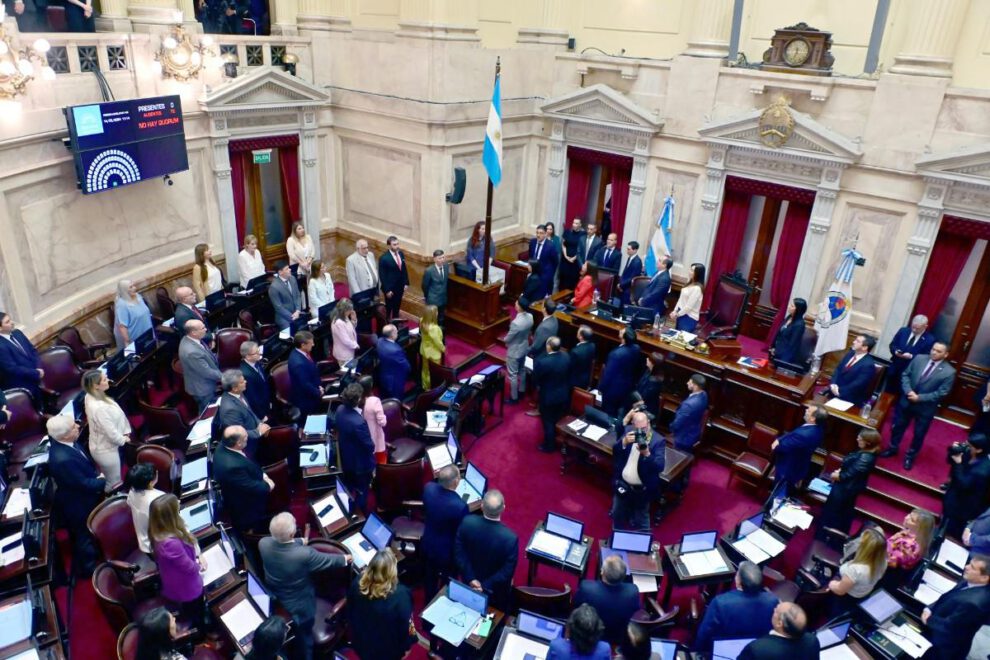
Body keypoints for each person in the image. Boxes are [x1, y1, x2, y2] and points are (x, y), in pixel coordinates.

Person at [260, 512, 349, 660]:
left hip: (276, 596)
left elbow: (283, 544)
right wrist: (346, 558)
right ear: (291, 534)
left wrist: (302, 541)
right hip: (300, 606)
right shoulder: (304, 555)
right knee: (305, 638)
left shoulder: (263, 543)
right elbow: (329, 560)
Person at [882, 342, 956, 470]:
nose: (934, 352)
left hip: (925, 408)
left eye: (938, 351)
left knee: (919, 434)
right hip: (907, 400)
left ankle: (910, 456)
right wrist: (908, 391)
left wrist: (919, 398)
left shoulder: (949, 372)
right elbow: (906, 375)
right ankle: (892, 448)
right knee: (898, 427)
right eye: (933, 349)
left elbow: (942, 392)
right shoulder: (919, 358)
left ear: (946, 354)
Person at [47, 414, 104, 576]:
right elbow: (83, 484)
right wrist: (102, 481)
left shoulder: (67, 442)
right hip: (78, 503)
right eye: (73, 426)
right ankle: (90, 570)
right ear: (64, 435)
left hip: (82, 495)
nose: (78, 426)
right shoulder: (62, 459)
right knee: (84, 534)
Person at [695, 561, 778, 653]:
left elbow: (705, 634)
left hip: (726, 651)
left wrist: (697, 652)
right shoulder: (773, 600)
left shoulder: (720, 603)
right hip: (758, 651)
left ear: (738, 580)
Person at [455, 489, 518, 610]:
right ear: (503, 508)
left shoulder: (467, 522)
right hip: (495, 592)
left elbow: (459, 553)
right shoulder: (510, 538)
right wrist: (484, 586)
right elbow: (507, 571)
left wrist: (471, 578)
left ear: (482, 506)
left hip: (469, 583)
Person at [347, 549, 415, 660]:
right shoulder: (401, 595)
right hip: (387, 650)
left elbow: (349, 611)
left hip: (361, 642)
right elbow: (408, 625)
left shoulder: (358, 582)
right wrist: (410, 643)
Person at [149, 494, 206, 626]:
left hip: (176, 580)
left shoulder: (157, 531)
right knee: (197, 614)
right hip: (186, 588)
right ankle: (202, 636)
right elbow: (190, 568)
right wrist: (199, 565)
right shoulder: (170, 543)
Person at [922, 555, 990, 660]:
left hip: (944, 648)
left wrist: (928, 619)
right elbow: (947, 596)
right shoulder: (971, 581)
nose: (966, 567)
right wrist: (929, 608)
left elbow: (950, 627)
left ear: (984, 577)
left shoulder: (974, 604)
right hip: (938, 628)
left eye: (972, 567)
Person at [213, 426, 274, 534]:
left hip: (243, 482)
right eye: (246, 437)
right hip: (246, 507)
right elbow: (254, 487)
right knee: (255, 527)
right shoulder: (232, 468)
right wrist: (268, 483)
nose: (248, 437)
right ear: (238, 444)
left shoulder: (223, 445)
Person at [819, 429, 881, 533]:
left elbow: (849, 475)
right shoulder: (865, 452)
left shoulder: (866, 457)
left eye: (860, 439)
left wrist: (836, 475)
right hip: (845, 487)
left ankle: (827, 534)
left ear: (868, 442)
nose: (857, 439)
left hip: (845, 490)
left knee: (835, 513)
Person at [422, 465, 469, 601]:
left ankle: (428, 600)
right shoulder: (460, 506)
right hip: (447, 552)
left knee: (430, 578)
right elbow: (461, 532)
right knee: (448, 579)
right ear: (455, 482)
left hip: (428, 543)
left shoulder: (428, 488)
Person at [612, 410, 664, 531]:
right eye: (638, 428)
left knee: (642, 522)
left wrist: (647, 454)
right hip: (622, 484)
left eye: (644, 428)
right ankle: (616, 538)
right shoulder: (628, 431)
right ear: (633, 425)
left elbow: (659, 466)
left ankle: (642, 546)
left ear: (649, 423)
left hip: (641, 489)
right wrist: (623, 442)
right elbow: (615, 451)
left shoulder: (658, 441)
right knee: (617, 515)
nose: (641, 432)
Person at [574, 555, 641, 646]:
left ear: (602, 572)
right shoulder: (633, 591)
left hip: (589, 633)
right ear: (624, 575)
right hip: (618, 636)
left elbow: (575, 606)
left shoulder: (586, 588)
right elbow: (636, 610)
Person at [82, 369, 131, 490]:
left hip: (102, 445)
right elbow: (111, 434)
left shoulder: (90, 395)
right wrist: (123, 439)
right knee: (114, 483)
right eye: (104, 380)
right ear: (95, 386)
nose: (108, 380)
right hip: (106, 450)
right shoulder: (99, 408)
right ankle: (112, 502)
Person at [940, 432, 990, 539]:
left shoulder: (983, 469)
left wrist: (958, 463)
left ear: (979, 450)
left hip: (963, 504)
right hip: (954, 494)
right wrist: (953, 450)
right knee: (945, 518)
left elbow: (964, 484)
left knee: (951, 530)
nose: (967, 447)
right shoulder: (969, 452)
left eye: (969, 446)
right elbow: (950, 460)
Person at [336, 383, 376, 512]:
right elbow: (369, 445)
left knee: (350, 483)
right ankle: (361, 511)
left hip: (345, 457)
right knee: (362, 488)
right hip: (360, 464)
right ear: (358, 400)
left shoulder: (340, 409)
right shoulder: (358, 422)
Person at [771, 405, 827, 496]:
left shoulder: (805, 435)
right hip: (798, 464)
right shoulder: (817, 428)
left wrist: (777, 443)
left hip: (788, 469)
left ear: (813, 418)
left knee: (779, 494)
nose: (806, 410)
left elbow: (782, 447)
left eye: (808, 411)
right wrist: (779, 439)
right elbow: (791, 435)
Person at [828, 527, 887, 611]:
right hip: (863, 595)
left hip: (844, 600)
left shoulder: (855, 569)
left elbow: (840, 591)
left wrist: (831, 583)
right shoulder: (883, 562)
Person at [738, 602, 819, 660]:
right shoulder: (812, 640)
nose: (774, 609)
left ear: (779, 624)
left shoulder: (757, 649)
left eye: (776, 611)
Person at [217, 370, 270, 456]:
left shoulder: (238, 393)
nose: (246, 382)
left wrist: (260, 424)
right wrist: (259, 432)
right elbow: (238, 434)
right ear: (234, 388)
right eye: (242, 382)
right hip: (249, 447)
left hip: (256, 434)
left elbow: (250, 412)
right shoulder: (230, 410)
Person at [533, 337, 571, 452]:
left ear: (549, 346)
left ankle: (549, 446)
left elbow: (536, 379)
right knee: (557, 419)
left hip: (548, 397)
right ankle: (555, 438)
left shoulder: (543, 362)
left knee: (548, 421)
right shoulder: (566, 356)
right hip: (563, 395)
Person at [179, 320, 222, 413]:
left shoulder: (189, 339)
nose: (206, 329)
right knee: (207, 413)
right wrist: (226, 377)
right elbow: (207, 372)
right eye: (203, 328)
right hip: (203, 389)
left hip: (202, 382)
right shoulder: (191, 352)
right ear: (193, 332)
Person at [886, 314, 936, 393]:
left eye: (918, 328)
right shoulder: (903, 331)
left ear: (925, 326)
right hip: (895, 368)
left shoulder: (930, 340)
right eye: (913, 327)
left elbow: (927, 357)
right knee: (887, 393)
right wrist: (895, 351)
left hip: (910, 374)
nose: (914, 330)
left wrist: (911, 356)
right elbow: (892, 345)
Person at [825, 334, 877, 408]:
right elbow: (838, 370)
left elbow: (857, 385)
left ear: (864, 347)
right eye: (855, 339)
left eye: (857, 341)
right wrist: (833, 384)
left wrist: (839, 391)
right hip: (833, 392)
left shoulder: (868, 365)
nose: (853, 342)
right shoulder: (850, 354)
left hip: (849, 399)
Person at [125, 463, 166, 556]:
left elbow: (129, 503)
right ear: (151, 481)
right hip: (157, 546)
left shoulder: (132, 491)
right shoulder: (159, 498)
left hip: (143, 542)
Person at [600, 327, 642, 416]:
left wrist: (601, 388)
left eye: (622, 331)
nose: (620, 330)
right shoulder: (636, 348)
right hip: (626, 388)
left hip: (612, 390)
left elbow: (608, 375)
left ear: (624, 338)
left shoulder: (616, 354)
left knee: (608, 413)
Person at [0, 311, 43, 397]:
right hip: (23, 386)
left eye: (10, 320)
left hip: (38, 375)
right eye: (7, 322)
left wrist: (39, 367)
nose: (12, 323)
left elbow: (33, 350)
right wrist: (35, 373)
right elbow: (13, 369)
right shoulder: (1, 346)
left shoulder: (18, 333)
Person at [505, 297, 534, 404]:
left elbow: (509, 337)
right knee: (522, 370)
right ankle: (521, 391)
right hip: (524, 347)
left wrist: (505, 340)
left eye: (516, 303)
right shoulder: (530, 316)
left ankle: (514, 397)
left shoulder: (516, 323)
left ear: (520, 307)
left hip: (514, 351)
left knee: (512, 374)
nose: (515, 304)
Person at [288, 330, 324, 417]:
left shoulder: (299, 352)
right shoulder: (298, 363)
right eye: (311, 343)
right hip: (307, 400)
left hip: (314, 389)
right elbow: (305, 384)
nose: (313, 344)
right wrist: (318, 392)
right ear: (303, 345)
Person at [671, 374, 708, 452]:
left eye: (690, 382)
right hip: (694, 431)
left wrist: (671, 427)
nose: (687, 383)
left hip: (683, 438)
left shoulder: (688, 405)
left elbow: (677, 423)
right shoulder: (704, 395)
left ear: (695, 386)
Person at [113, 280, 153, 349]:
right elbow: (122, 326)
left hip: (148, 333)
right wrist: (128, 342)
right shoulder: (122, 305)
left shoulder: (137, 296)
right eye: (131, 287)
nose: (134, 288)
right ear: (124, 290)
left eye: (133, 286)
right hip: (137, 339)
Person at [376, 324, 411, 400]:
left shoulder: (379, 341)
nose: (398, 333)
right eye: (396, 332)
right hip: (394, 380)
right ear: (392, 335)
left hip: (383, 374)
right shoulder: (395, 350)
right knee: (396, 400)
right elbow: (406, 366)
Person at [768, 298, 807, 365]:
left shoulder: (799, 325)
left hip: (784, 358)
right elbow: (779, 334)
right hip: (776, 352)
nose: (789, 307)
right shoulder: (789, 317)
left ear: (798, 309)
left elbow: (792, 346)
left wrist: (782, 360)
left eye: (792, 306)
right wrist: (773, 347)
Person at [378, 235, 409, 320]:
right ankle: (387, 322)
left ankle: (396, 322)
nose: (397, 246)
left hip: (400, 286)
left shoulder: (401, 254)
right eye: (394, 244)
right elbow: (382, 275)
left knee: (397, 306)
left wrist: (406, 282)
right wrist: (387, 290)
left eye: (397, 244)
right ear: (389, 245)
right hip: (390, 289)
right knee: (389, 307)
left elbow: (404, 268)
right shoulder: (384, 258)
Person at [239, 341, 271, 421]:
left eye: (258, 351)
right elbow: (252, 398)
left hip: (267, 403)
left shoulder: (256, 362)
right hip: (260, 412)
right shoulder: (245, 374)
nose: (259, 354)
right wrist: (261, 415)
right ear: (247, 356)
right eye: (256, 353)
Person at [359, 375, 387, 464]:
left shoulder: (358, 400)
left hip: (364, 436)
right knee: (381, 462)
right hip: (376, 436)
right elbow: (382, 423)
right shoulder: (375, 401)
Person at [669, 263, 705, 332]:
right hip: (681, 314)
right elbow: (680, 299)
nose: (689, 272)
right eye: (690, 269)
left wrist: (677, 314)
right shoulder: (690, 283)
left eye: (692, 270)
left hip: (689, 318)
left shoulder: (697, 288)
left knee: (680, 339)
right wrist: (675, 310)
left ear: (698, 273)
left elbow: (688, 307)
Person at [268, 261, 302, 331]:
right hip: (284, 318)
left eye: (289, 268)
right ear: (280, 272)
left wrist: (298, 311)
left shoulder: (292, 278)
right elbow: (278, 307)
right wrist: (292, 316)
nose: (290, 269)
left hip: (296, 313)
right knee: (292, 335)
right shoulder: (274, 287)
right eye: (287, 269)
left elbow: (298, 295)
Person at [529, 225, 558, 298]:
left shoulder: (550, 246)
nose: (538, 235)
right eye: (537, 233)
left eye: (541, 233)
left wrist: (550, 274)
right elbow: (530, 256)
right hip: (533, 273)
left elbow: (555, 261)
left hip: (544, 275)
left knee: (541, 297)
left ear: (545, 234)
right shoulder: (532, 242)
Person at [419, 305, 445, 388]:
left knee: (425, 370)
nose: (437, 313)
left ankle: (426, 387)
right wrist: (444, 349)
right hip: (434, 353)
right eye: (436, 312)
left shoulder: (422, 321)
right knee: (434, 372)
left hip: (424, 350)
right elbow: (438, 342)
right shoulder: (434, 328)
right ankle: (433, 388)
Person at [634, 352, 665, 420]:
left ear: (653, 364)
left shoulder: (655, 381)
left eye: (649, 359)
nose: (647, 359)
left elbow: (643, 396)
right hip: (638, 402)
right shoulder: (649, 370)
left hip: (646, 409)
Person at [421, 249, 449, 325]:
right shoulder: (429, 271)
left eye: (443, 257)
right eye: (440, 258)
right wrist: (427, 296)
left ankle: (440, 334)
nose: (442, 260)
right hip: (433, 300)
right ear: (434, 259)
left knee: (441, 318)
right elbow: (424, 286)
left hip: (443, 298)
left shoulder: (446, 266)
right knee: (432, 320)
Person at [529, 297, 559, 363]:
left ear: (544, 309)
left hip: (541, 356)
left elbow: (536, 347)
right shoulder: (554, 318)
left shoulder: (544, 328)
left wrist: (526, 351)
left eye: (542, 305)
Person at [330, 298, 359, 364]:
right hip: (343, 354)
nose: (351, 311)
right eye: (350, 310)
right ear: (344, 310)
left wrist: (353, 319)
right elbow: (345, 340)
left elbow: (351, 329)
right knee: (347, 373)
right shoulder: (338, 322)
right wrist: (355, 345)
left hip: (349, 351)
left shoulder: (344, 316)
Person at [559, 218, 584, 291]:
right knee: (563, 281)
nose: (574, 225)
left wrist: (574, 258)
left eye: (576, 223)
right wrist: (566, 256)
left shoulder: (583, 234)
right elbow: (563, 244)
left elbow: (581, 249)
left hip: (575, 262)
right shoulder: (567, 232)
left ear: (580, 225)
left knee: (573, 282)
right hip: (565, 260)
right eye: (573, 223)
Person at [569, 325, 596, 390]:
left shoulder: (575, 352)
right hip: (585, 380)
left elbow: (570, 368)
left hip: (574, 382)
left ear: (581, 337)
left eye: (578, 331)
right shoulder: (592, 346)